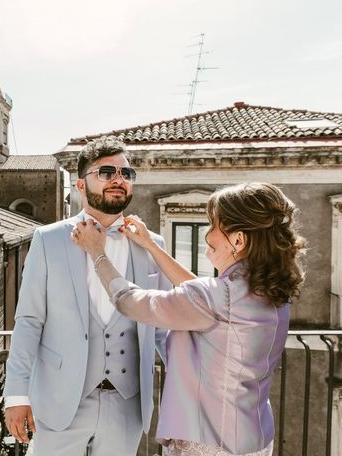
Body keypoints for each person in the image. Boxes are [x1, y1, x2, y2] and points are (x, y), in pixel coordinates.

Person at [72, 182, 305, 456]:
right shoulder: (268, 290)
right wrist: (150, 245)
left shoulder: (215, 298)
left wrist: (97, 253)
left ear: (239, 240)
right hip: (254, 437)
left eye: (214, 225)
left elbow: (131, 301)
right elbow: (204, 299)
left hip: (208, 443)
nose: (208, 234)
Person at [4, 136, 170, 456]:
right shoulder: (48, 239)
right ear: (80, 185)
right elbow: (29, 320)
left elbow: (163, 327)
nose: (118, 179)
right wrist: (16, 395)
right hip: (60, 399)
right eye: (106, 172)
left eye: (125, 173)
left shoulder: (153, 245)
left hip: (128, 404)